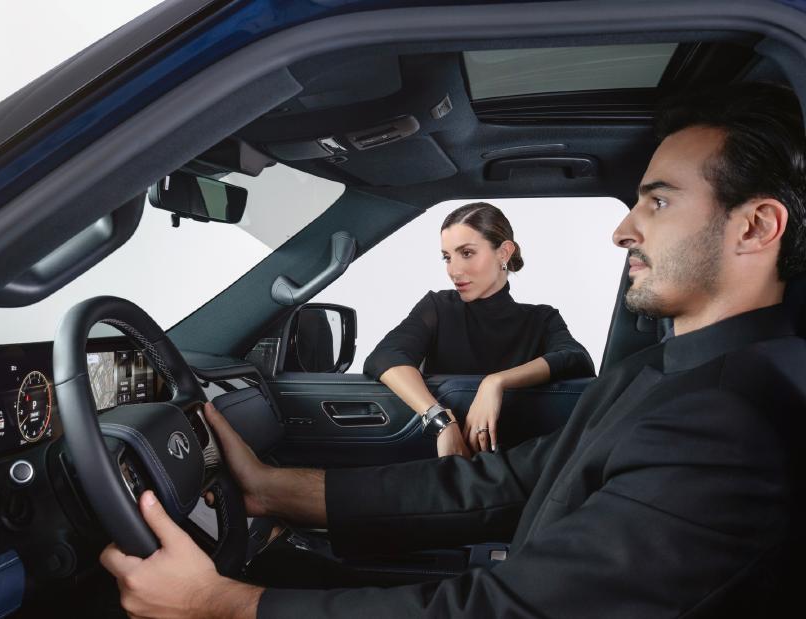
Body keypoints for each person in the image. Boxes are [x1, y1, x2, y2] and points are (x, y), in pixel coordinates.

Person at [99, 82, 806, 618]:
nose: (624, 229)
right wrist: (270, 487)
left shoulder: (731, 424)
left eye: (656, 202)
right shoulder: (664, 370)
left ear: (755, 227)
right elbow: (502, 484)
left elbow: (507, 609)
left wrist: (226, 605)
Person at [364, 202, 595, 457]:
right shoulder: (438, 307)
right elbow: (386, 356)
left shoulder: (542, 318)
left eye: (467, 253)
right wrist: (441, 420)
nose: (454, 271)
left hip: (521, 462)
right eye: (447, 257)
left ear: (504, 252)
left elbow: (576, 358)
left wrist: (496, 382)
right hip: (447, 460)